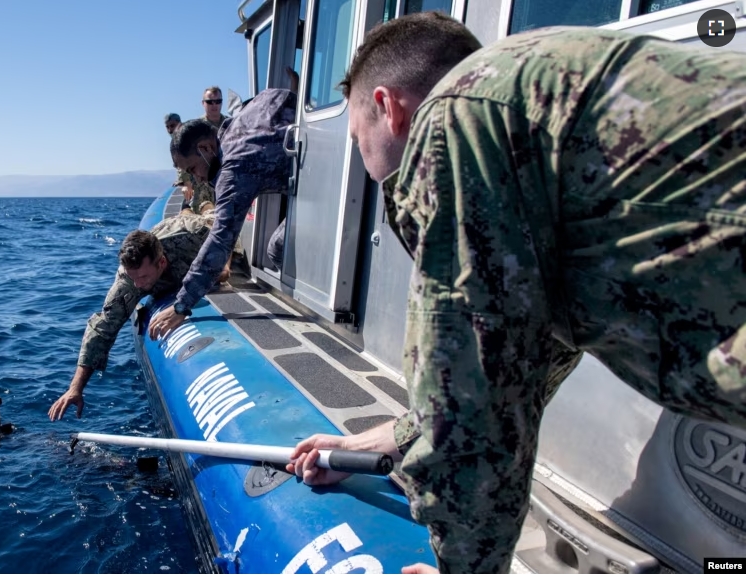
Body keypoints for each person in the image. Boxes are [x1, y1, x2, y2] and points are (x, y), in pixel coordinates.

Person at [286, 12, 746, 574]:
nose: (364, 160)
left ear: (388, 107)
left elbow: (474, 400)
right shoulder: (540, 109)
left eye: (358, 137)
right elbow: (524, 367)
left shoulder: (454, 119)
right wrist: (376, 447)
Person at [48, 213, 229, 421]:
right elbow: (102, 328)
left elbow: (223, 231)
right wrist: (75, 388)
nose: (138, 285)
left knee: (221, 269)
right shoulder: (129, 280)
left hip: (197, 224)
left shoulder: (191, 236)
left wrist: (223, 265)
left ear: (161, 263)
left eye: (143, 277)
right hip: (164, 258)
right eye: (133, 277)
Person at [149, 89, 297, 339]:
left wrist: (182, 305)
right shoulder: (235, 125)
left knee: (276, 250)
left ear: (206, 147)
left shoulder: (233, 172)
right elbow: (278, 94)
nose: (196, 177)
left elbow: (220, 240)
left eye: (193, 168)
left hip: (325, 184)